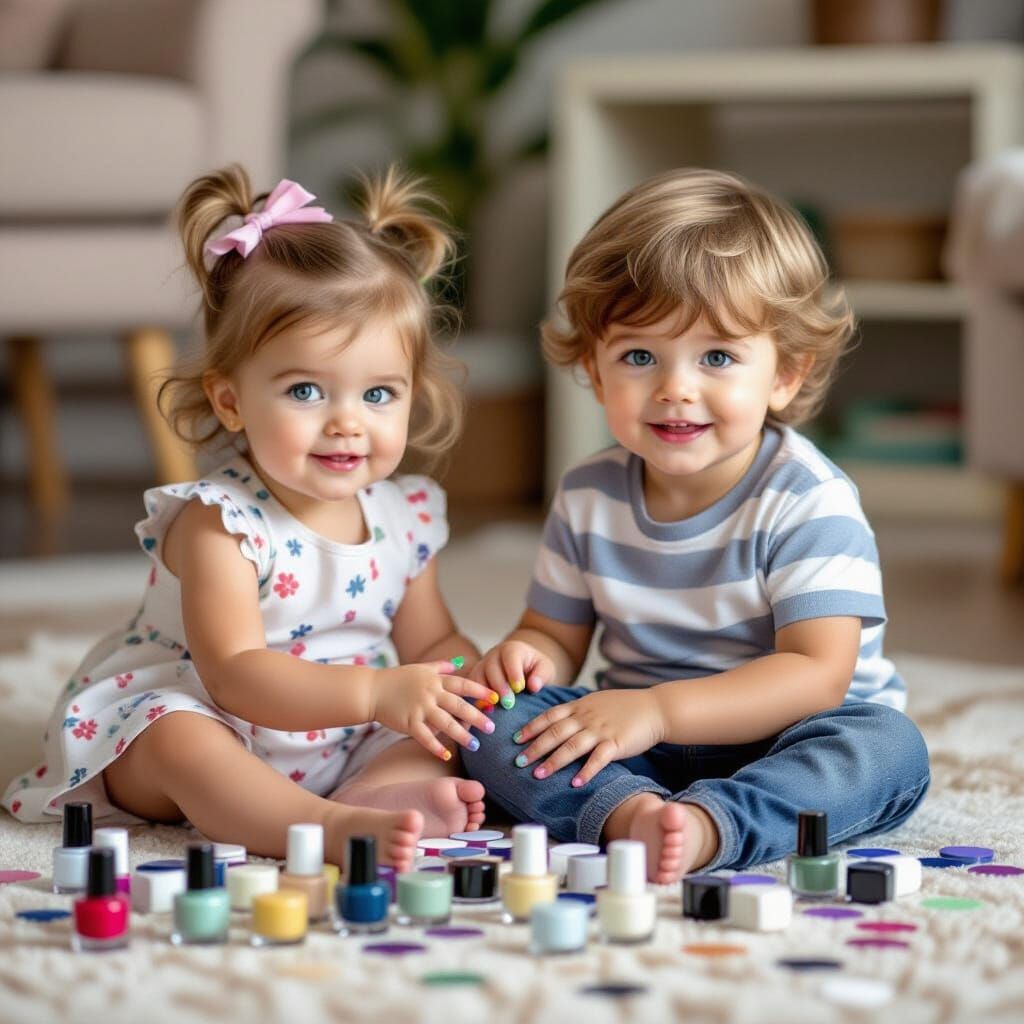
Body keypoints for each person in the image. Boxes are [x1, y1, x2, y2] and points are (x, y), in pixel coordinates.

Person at [1, 166, 500, 871]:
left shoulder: (405, 515)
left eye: (379, 394)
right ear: (231, 400)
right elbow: (234, 672)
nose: (347, 424)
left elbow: (432, 639)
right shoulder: (221, 523)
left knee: (442, 733)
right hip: (210, 717)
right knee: (178, 740)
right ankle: (319, 827)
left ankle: (376, 793)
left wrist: (467, 679)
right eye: (306, 390)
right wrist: (376, 690)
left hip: (344, 729)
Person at [463, 167, 930, 883]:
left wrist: (659, 710)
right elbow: (555, 634)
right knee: (491, 720)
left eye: (717, 356)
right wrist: (526, 659)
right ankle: (629, 814)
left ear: (785, 374)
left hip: (788, 736)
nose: (676, 387)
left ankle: (720, 824)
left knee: (890, 749)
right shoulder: (588, 493)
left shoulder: (808, 500)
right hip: (637, 737)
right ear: (593, 367)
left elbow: (817, 674)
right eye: (639, 356)